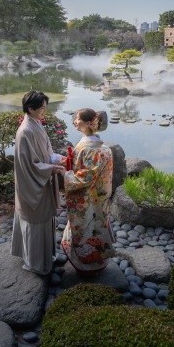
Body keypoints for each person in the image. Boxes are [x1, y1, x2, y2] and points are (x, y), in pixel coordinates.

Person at [11, 91, 65, 275]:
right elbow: (29, 164)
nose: (45, 111)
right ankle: (34, 263)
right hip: (32, 182)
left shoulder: (36, 124)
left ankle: (45, 258)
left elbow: (44, 152)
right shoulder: (25, 131)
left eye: (45, 107)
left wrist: (58, 159)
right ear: (30, 108)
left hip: (41, 180)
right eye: (42, 108)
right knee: (34, 222)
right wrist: (52, 169)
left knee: (43, 221)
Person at [61, 108, 115, 274]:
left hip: (87, 196)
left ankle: (88, 265)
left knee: (86, 227)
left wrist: (65, 174)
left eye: (77, 119)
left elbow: (85, 176)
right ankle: (99, 261)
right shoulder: (103, 147)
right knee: (97, 225)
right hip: (100, 194)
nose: (75, 122)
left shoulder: (88, 148)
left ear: (87, 123)